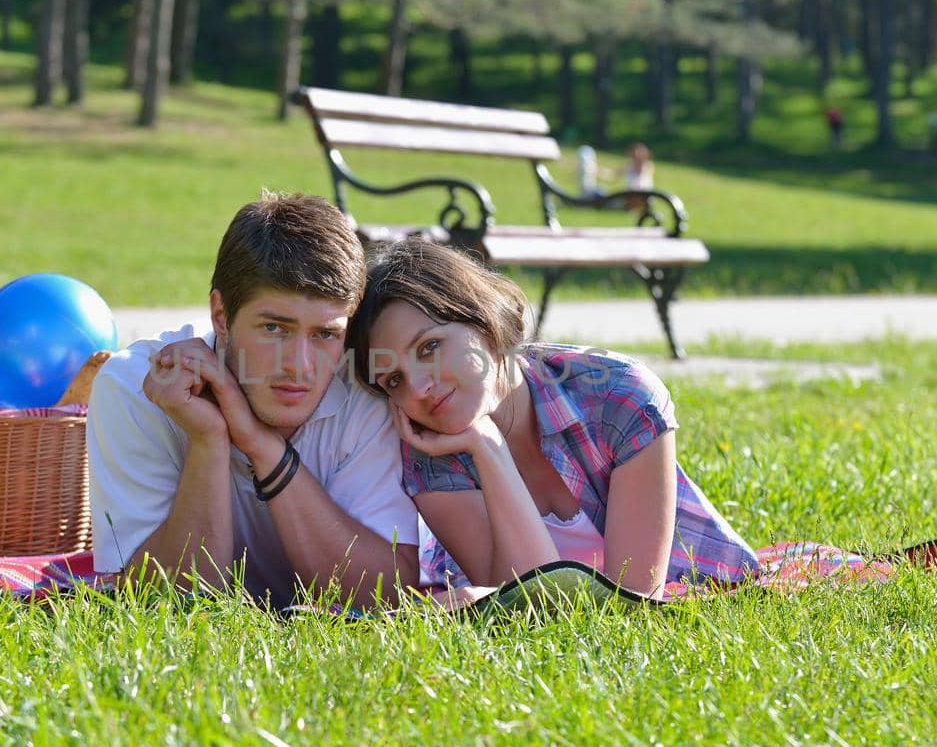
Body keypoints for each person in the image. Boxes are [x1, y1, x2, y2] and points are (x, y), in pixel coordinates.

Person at [347, 237, 760, 598]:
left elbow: (635, 599)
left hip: (692, 580)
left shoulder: (617, 395)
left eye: (430, 347)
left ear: (483, 321)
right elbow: (527, 602)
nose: (418, 389)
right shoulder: (429, 447)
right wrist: (488, 448)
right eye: (395, 379)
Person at [86, 192, 421, 609]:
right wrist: (209, 439)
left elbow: (387, 596)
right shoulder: (135, 385)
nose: (300, 366)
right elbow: (165, 603)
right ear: (221, 316)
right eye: (275, 328)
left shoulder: (368, 389)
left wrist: (263, 448)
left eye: (325, 334)